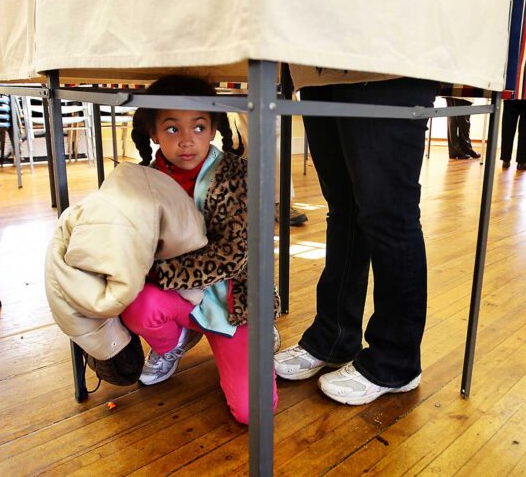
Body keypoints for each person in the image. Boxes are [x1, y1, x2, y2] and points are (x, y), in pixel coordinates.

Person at [274, 70, 439, 405]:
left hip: (387, 56)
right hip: (321, 64)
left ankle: (396, 361)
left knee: (389, 212)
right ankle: (333, 335)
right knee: (344, 208)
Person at [122, 75, 280, 424]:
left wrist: (160, 272)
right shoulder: (144, 180)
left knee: (253, 412)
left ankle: (253, 337)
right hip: (179, 297)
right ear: (153, 132)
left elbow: (234, 253)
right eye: (172, 129)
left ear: (212, 129)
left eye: (198, 127)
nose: (187, 141)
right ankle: (174, 341)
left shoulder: (239, 174)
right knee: (135, 304)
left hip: (233, 303)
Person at [500, 99, 526, 170]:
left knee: (508, 128)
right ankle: (521, 162)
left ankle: (506, 159)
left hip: (513, 95)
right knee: (525, 131)